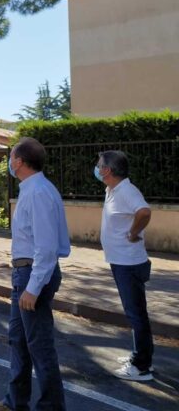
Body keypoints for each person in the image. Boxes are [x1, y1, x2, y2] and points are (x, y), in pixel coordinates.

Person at [0, 138, 70, 411]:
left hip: (33, 274)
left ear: (19, 162)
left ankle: (51, 407)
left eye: (11, 157)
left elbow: (46, 247)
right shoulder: (33, 189)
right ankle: (14, 402)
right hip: (25, 273)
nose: (9, 162)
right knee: (19, 340)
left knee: (39, 344)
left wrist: (33, 287)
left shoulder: (38, 193)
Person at [95, 150, 154, 381]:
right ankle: (141, 356)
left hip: (129, 263)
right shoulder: (112, 190)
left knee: (136, 315)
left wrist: (133, 232)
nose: (98, 169)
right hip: (121, 262)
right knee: (135, 313)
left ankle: (141, 367)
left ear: (108, 170)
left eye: (100, 166)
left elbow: (144, 212)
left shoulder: (127, 191)